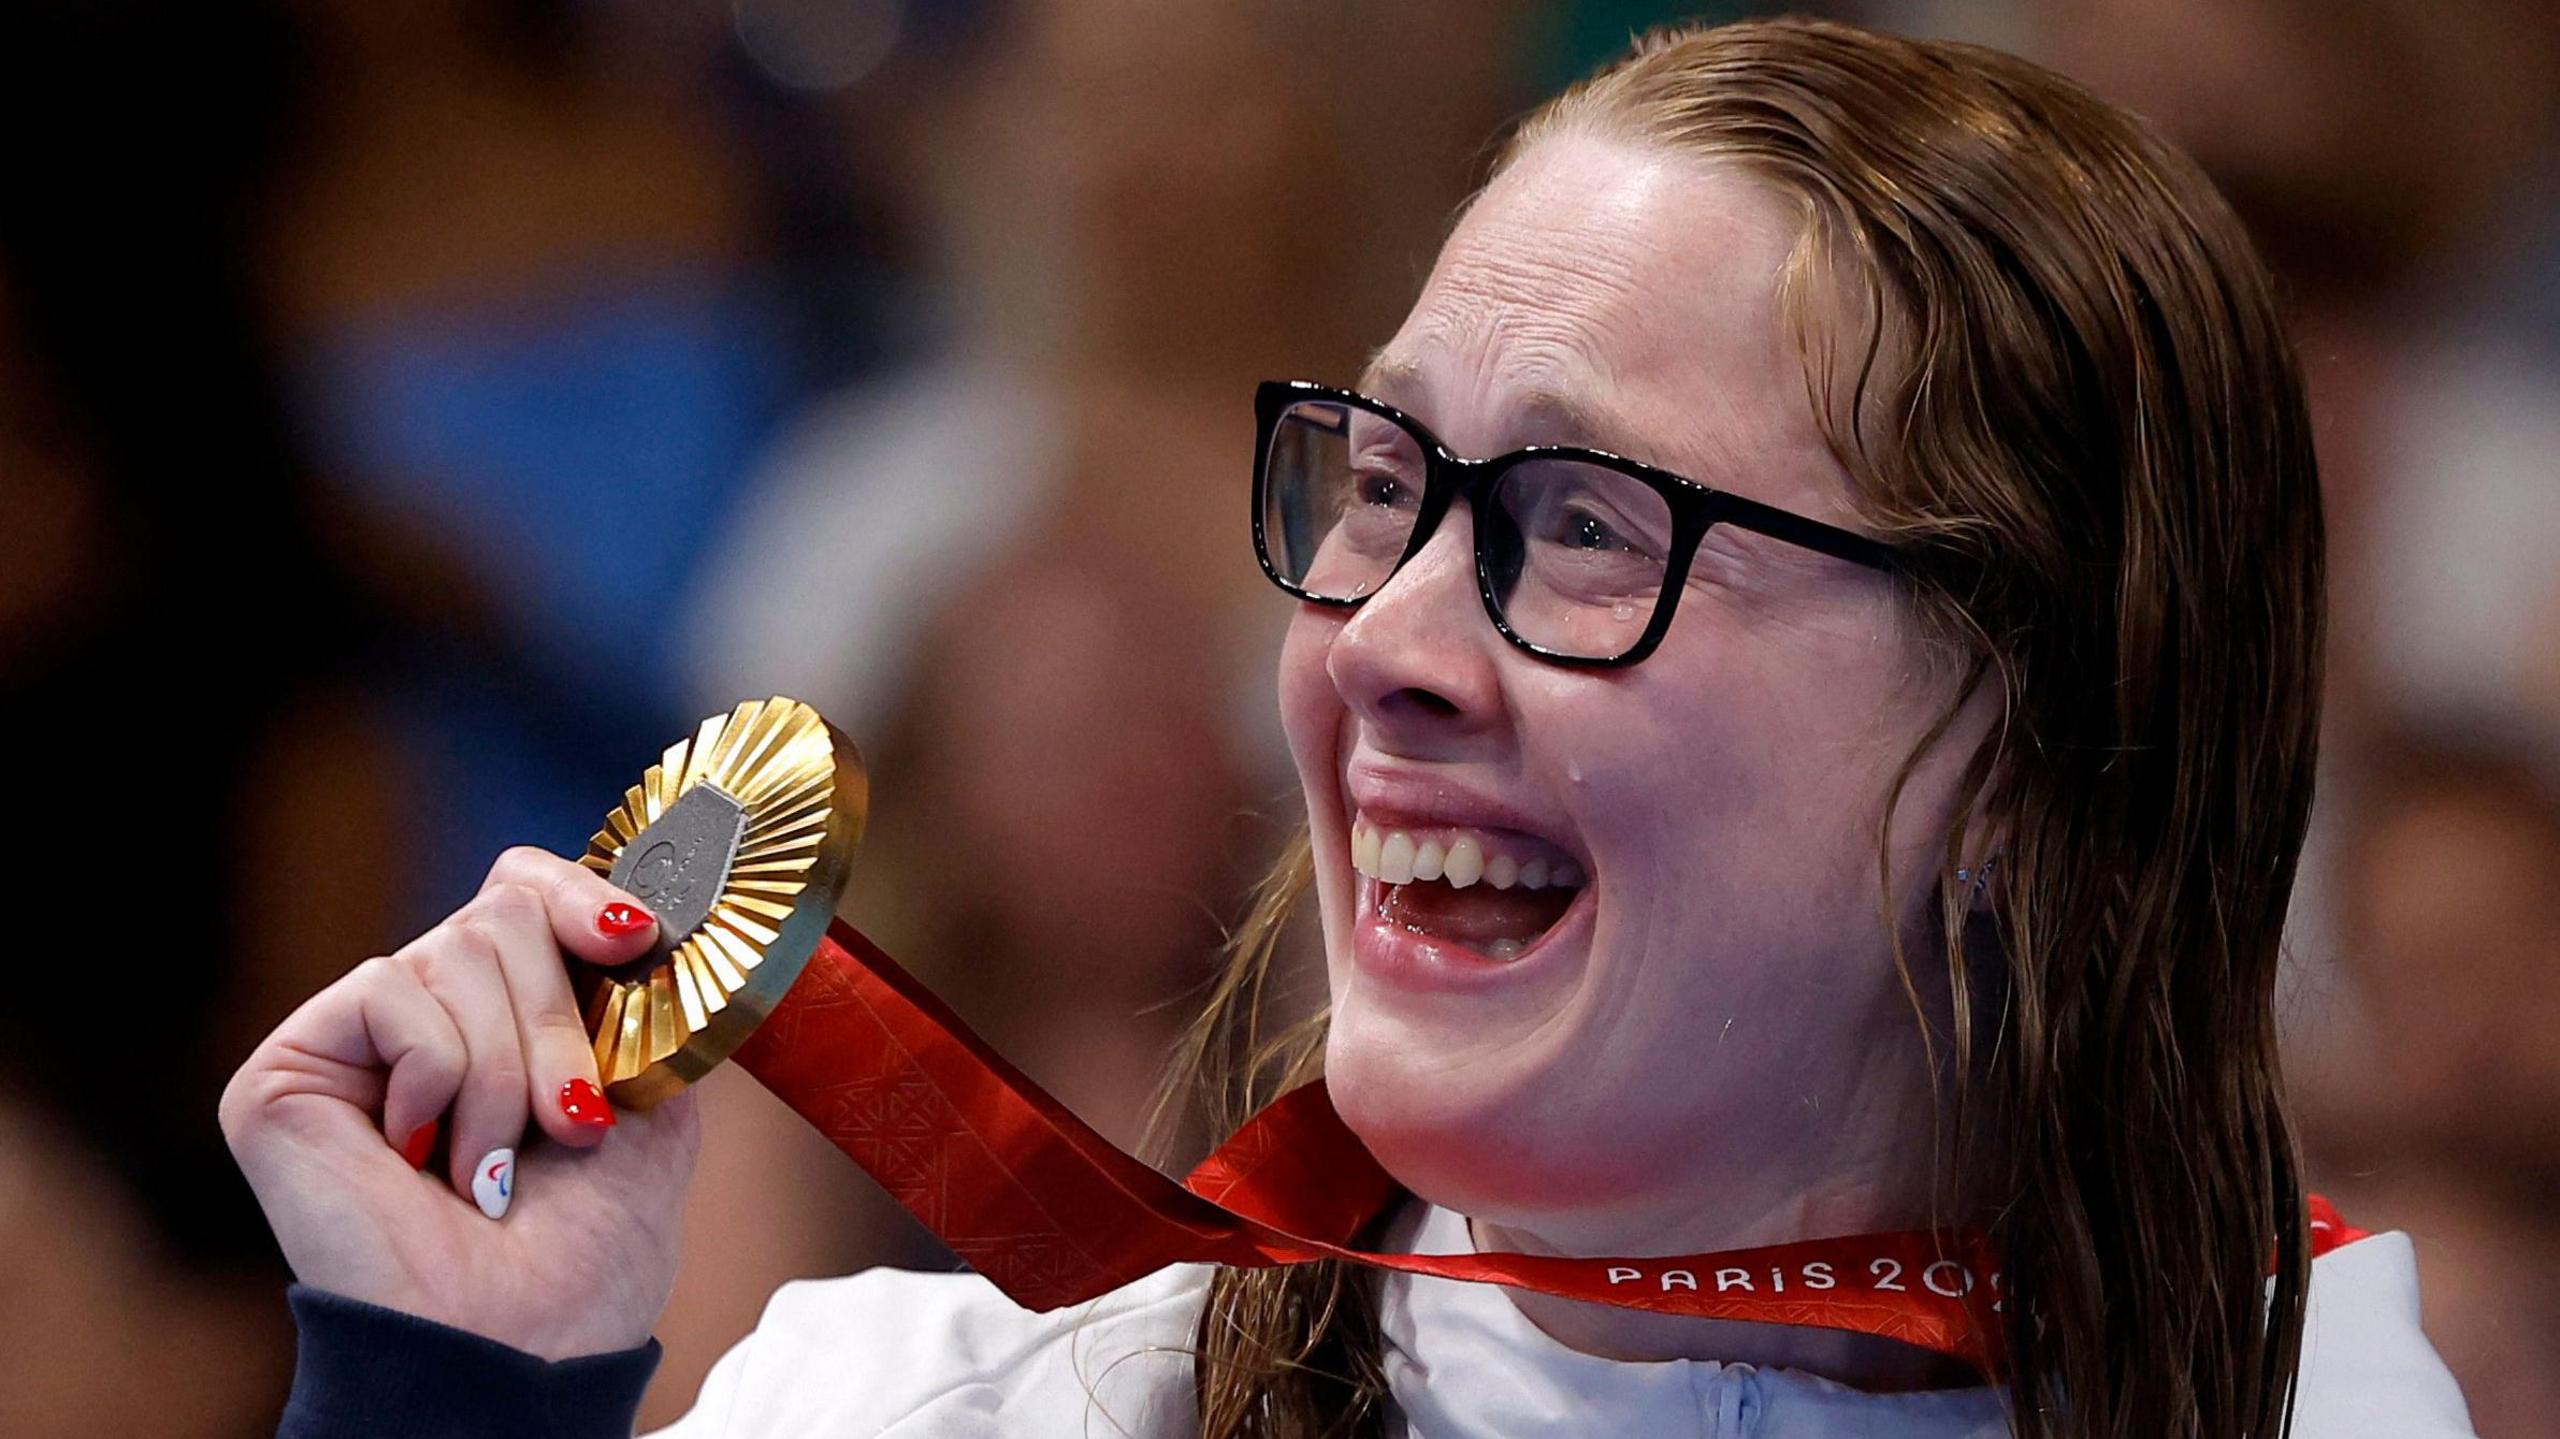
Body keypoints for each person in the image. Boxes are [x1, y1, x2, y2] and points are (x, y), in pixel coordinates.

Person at [222, 19, 2478, 1437]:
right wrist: (449, 1398)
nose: (1375, 636)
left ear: (2032, 744)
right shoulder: (944, 1411)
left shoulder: (2334, 1402)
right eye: (1384, 484)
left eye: (1587, 524)